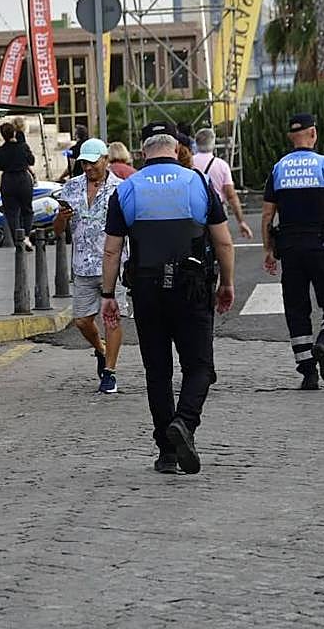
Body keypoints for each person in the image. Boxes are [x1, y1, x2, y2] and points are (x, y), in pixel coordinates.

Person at [100, 125, 235, 475]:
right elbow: (223, 242)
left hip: (146, 289)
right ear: (176, 149)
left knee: (157, 372)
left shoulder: (127, 189)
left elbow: (112, 249)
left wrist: (108, 294)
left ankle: (167, 452)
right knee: (200, 365)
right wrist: (227, 284)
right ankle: (185, 423)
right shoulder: (198, 184)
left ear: (143, 152)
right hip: (191, 287)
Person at [260, 114, 324, 390]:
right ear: (313, 133)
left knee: (296, 308)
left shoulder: (279, 169)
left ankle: (308, 372)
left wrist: (269, 250)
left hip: (290, 247)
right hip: (322, 245)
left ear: (291, 137)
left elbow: (268, 214)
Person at [55, 138, 126, 394]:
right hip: (83, 264)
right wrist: (60, 219)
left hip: (113, 265)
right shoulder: (71, 188)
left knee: (112, 319)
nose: (87, 168)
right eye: (84, 163)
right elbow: (59, 231)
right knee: (82, 321)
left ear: (105, 159)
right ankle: (100, 349)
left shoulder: (121, 188)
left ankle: (110, 372)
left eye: (92, 162)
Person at [191, 128, 253, 240]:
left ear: (196, 143)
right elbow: (231, 195)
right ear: (213, 143)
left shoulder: (189, 163)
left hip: (194, 208)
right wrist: (241, 221)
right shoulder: (221, 165)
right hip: (217, 208)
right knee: (220, 242)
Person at [0, 121, 36, 250]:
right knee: (27, 210)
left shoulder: (0, 150)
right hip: (23, 179)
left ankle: (18, 239)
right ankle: (26, 236)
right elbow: (32, 161)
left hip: (8, 180)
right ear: (14, 133)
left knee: (11, 213)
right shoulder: (22, 147)